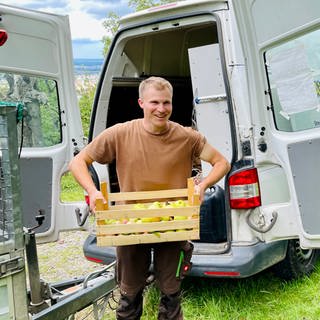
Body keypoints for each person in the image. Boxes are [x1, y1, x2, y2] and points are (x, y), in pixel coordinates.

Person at [69, 76, 230, 320]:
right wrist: (93, 192)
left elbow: (221, 162)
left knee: (171, 293)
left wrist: (203, 185)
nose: (161, 109)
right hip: (130, 225)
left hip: (173, 224)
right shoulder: (120, 134)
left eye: (167, 103)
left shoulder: (187, 137)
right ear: (141, 103)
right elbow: (78, 161)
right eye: (155, 102)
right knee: (129, 294)